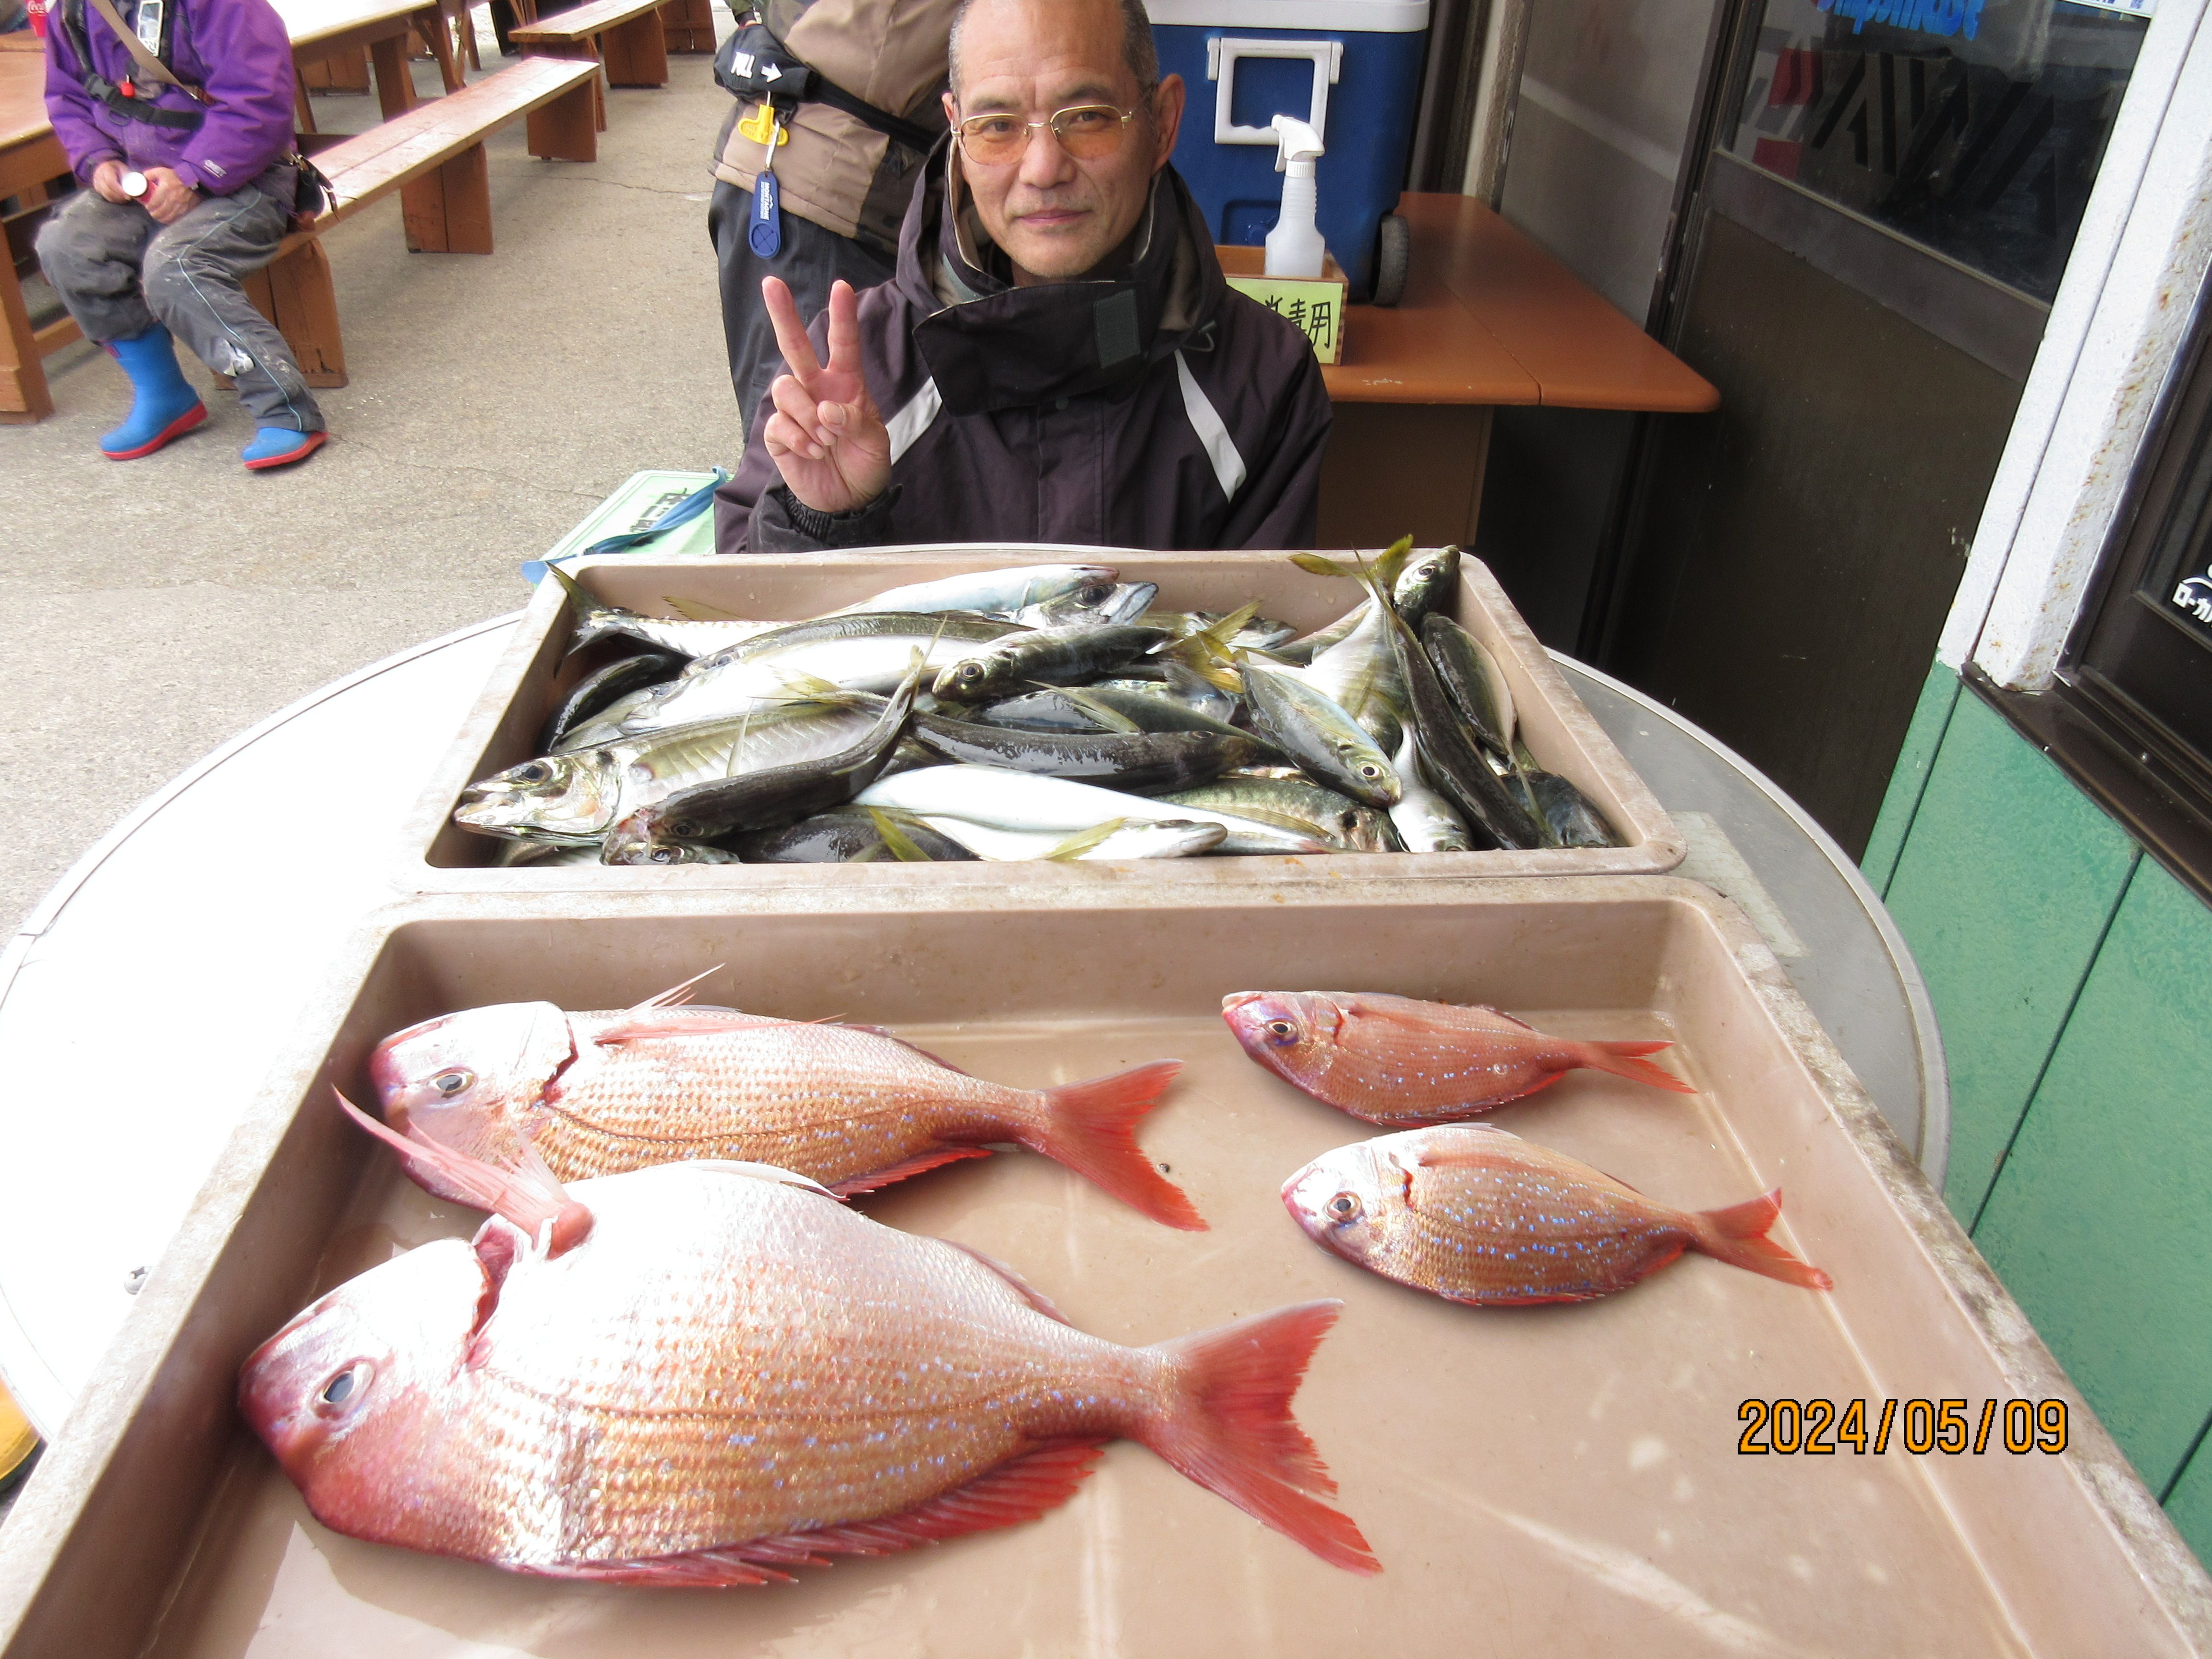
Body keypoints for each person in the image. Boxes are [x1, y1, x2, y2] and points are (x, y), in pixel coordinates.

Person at [714, 0, 1331, 553]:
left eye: (1086, 117)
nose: (1042, 169)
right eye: (998, 126)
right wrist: (821, 522)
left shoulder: (1264, 377)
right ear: (956, 130)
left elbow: (1266, 631)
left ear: (1162, 124)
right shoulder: (859, 365)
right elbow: (742, 613)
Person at [36, 0, 327, 467]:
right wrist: (98, 161)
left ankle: (285, 410)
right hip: (144, 182)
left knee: (176, 266)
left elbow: (260, 99)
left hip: (248, 179)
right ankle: (165, 395)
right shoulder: (72, 10)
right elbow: (67, 97)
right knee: (66, 246)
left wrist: (195, 176)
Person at [706, 0, 958, 428]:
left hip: (846, 184)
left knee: (852, 430)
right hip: (823, 192)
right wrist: (751, 16)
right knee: (809, 434)